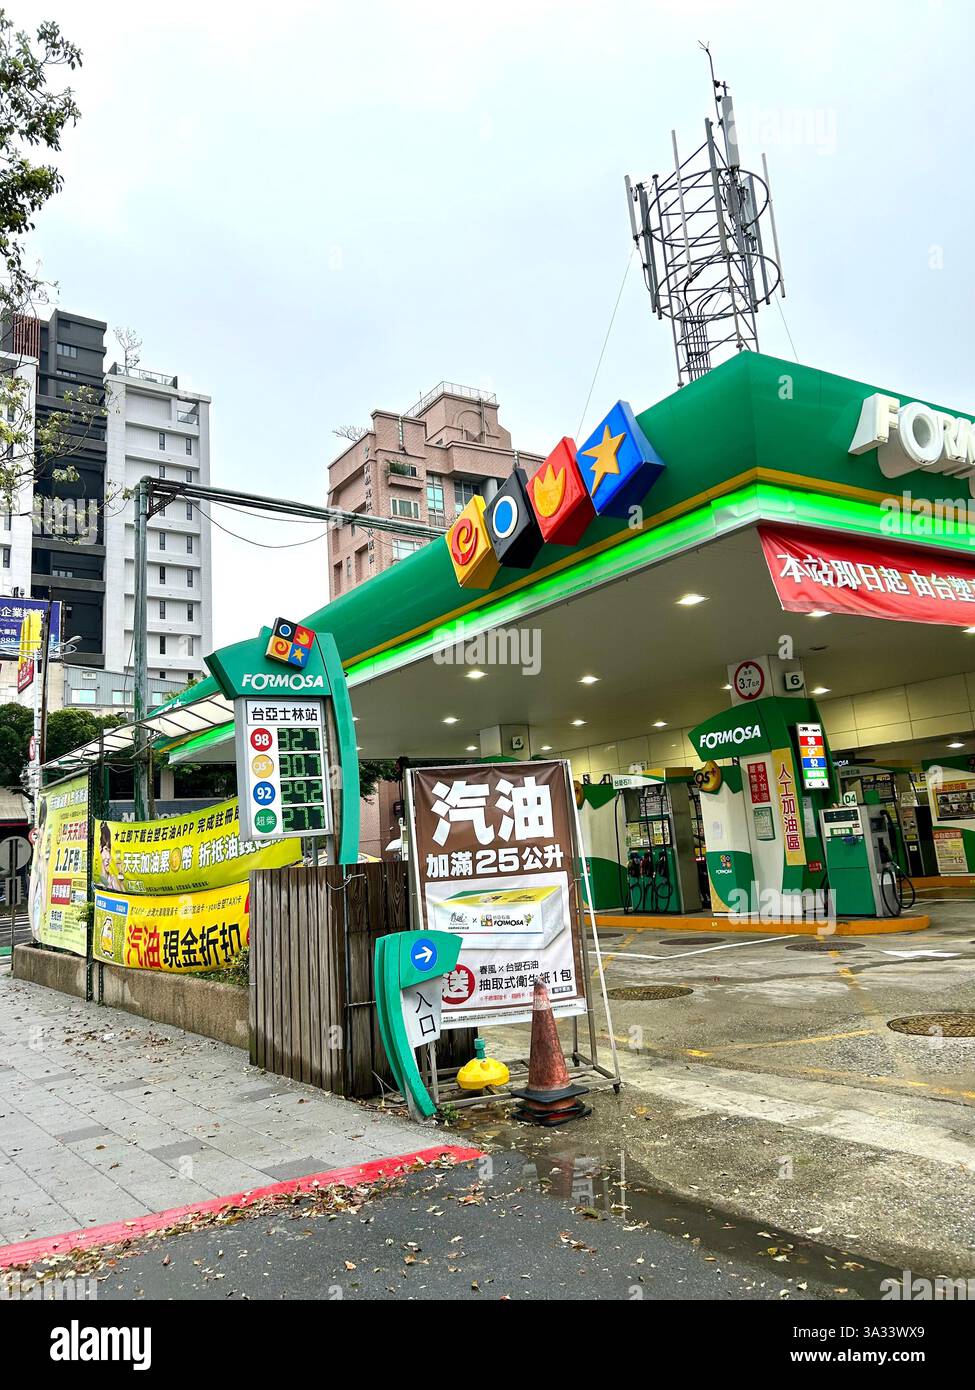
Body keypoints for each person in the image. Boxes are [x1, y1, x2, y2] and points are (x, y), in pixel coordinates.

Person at [99, 821, 123, 891]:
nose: (108, 856)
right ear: (100, 848)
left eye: (109, 851)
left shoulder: (113, 879)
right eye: (106, 849)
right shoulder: (99, 880)